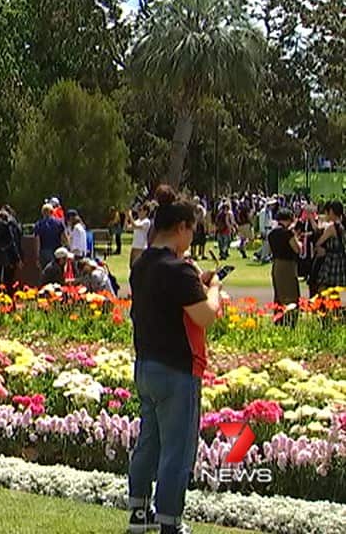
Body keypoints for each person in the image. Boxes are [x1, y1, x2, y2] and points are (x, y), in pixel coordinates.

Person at [127, 187, 221, 534]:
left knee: (149, 442)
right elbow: (205, 316)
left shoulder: (143, 264)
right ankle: (170, 521)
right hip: (177, 370)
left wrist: (198, 281)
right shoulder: (178, 269)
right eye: (192, 229)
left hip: (146, 365)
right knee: (177, 451)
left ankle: (139, 512)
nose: (192, 237)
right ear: (181, 227)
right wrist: (214, 289)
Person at [268, 208, 301, 312]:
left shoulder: (272, 233)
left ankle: (278, 318)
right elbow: (297, 249)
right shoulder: (287, 233)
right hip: (288, 265)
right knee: (291, 294)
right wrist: (297, 237)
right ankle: (289, 321)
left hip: (276, 264)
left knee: (279, 294)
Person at [312, 201, 346, 291]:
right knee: (335, 287)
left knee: (323, 284)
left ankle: (323, 303)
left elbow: (319, 242)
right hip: (340, 257)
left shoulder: (332, 227)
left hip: (331, 258)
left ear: (331, 211)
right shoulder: (341, 225)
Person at [128, 203, 153, 267]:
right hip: (134, 245)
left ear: (145, 212)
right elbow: (126, 228)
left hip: (141, 247)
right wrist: (126, 217)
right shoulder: (138, 220)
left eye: (140, 210)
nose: (138, 212)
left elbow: (135, 226)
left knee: (138, 266)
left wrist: (130, 215)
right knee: (131, 266)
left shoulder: (146, 222)